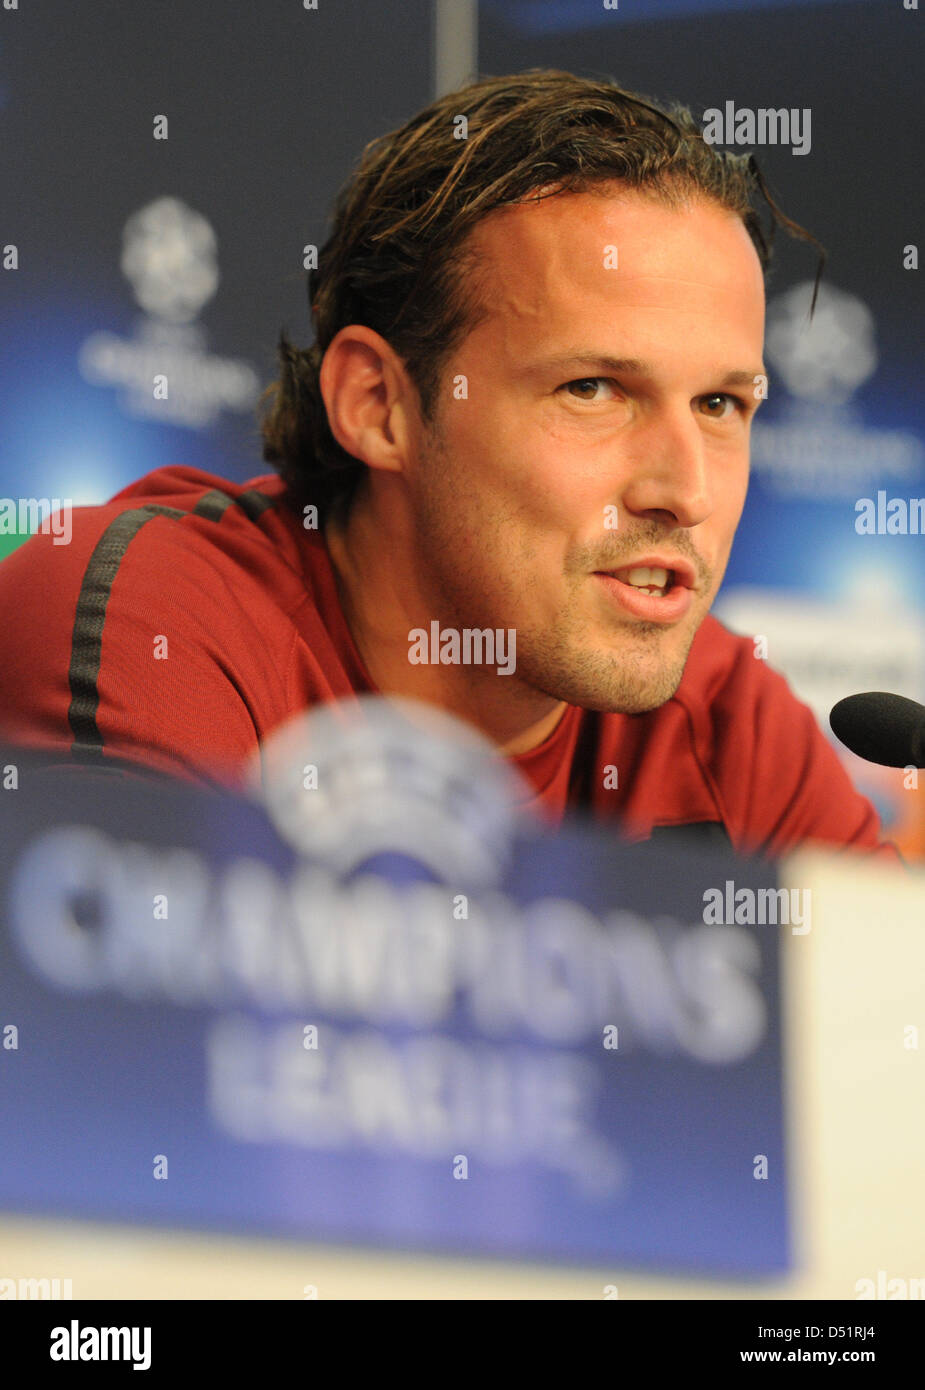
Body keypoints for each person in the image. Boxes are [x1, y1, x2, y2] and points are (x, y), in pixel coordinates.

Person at [0, 69, 900, 862]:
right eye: (592, 389)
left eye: (720, 406)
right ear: (378, 405)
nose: (684, 491)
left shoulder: (726, 724)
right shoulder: (165, 623)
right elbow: (133, 1043)